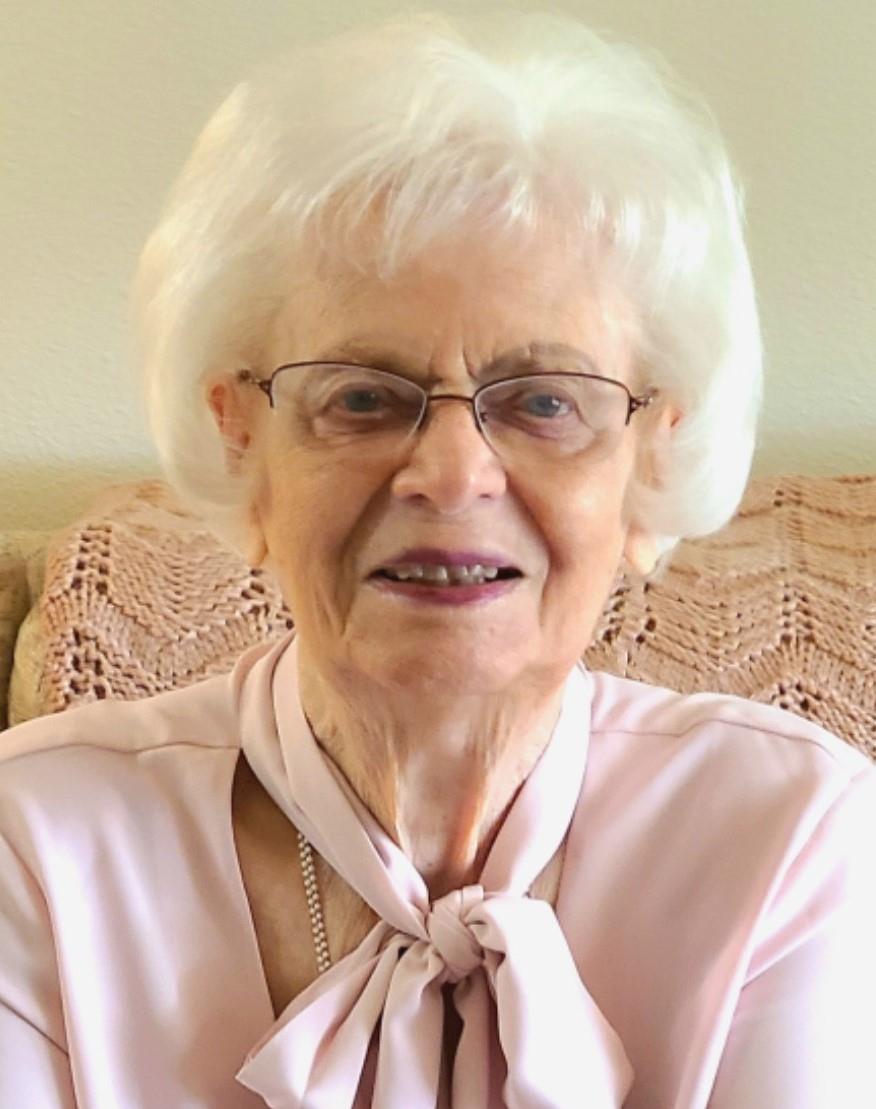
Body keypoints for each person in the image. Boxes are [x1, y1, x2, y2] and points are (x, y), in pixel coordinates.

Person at [1, 12, 873, 1108]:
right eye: (363, 397)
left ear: (653, 459)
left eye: (545, 401)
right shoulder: (36, 843)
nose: (453, 475)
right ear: (241, 443)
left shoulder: (793, 835)